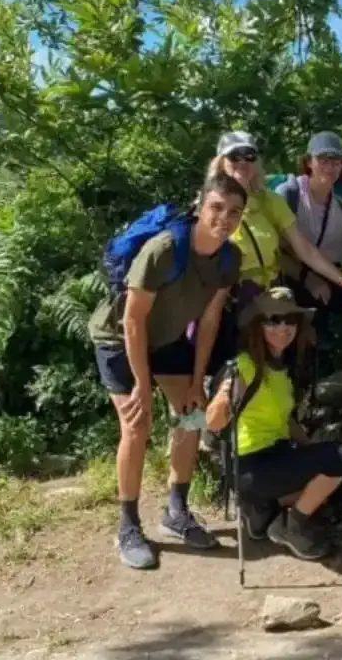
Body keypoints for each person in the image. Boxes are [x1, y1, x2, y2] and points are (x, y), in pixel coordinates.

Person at [88, 173, 246, 570]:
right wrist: (142, 384)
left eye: (234, 212)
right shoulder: (165, 248)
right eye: (216, 207)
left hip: (169, 339)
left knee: (192, 416)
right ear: (200, 204)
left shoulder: (229, 258)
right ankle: (128, 525)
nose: (224, 218)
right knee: (137, 425)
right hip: (120, 338)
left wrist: (197, 382)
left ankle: (176, 510)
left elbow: (209, 322)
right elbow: (133, 319)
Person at [206, 287, 342, 560]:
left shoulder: (281, 368)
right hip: (251, 463)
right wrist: (225, 393)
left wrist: (312, 451)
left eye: (290, 321)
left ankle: (263, 510)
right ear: (258, 325)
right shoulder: (245, 365)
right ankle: (293, 526)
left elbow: (286, 421)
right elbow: (214, 422)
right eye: (273, 320)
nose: (283, 327)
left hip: (277, 455)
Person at [211, 130, 342, 304]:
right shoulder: (209, 204)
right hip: (224, 298)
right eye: (234, 156)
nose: (243, 162)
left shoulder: (271, 201)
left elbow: (304, 249)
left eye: (249, 155)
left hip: (270, 298)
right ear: (221, 163)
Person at [274, 131, 342, 317]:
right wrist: (308, 279)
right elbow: (276, 252)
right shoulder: (289, 194)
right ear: (309, 162)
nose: (330, 167)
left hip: (334, 274)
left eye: (336, 161)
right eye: (323, 160)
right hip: (293, 275)